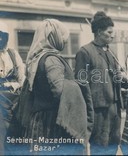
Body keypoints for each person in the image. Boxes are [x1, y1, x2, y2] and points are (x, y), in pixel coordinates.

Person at [14, 19, 93, 155]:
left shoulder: (37, 57)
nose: (66, 41)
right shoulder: (52, 60)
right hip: (51, 123)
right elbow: (59, 91)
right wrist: (78, 85)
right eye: (63, 37)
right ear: (54, 37)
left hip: (39, 119)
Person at [75, 11, 122, 155]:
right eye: (109, 32)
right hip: (98, 110)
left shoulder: (110, 52)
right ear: (100, 32)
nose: (112, 35)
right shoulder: (85, 52)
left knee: (113, 146)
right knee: (99, 147)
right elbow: (81, 84)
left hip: (115, 108)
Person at [0, 21, 25, 155]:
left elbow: (22, 78)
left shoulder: (13, 54)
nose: (0, 38)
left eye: (3, 35)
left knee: (15, 137)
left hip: (14, 103)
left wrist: (15, 85)